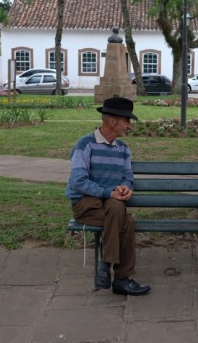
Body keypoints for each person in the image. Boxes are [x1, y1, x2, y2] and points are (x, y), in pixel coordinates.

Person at [66, 97, 150, 296]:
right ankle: (121, 278)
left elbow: (128, 178)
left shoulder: (123, 149)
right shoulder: (85, 145)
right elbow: (78, 181)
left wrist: (126, 187)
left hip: (112, 205)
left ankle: (106, 265)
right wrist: (107, 192)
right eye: (126, 120)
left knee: (118, 211)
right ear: (112, 121)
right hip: (87, 205)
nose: (129, 125)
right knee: (125, 220)